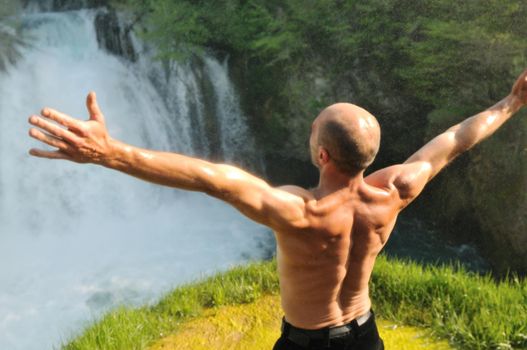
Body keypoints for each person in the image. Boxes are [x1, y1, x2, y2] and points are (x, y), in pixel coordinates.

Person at [28, 69, 527, 350]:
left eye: (314, 131)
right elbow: (456, 140)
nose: (311, 134)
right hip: (364, 334)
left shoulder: (296, 210)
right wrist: (511, 101)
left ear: (322, 154)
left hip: (306, 345)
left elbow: (208, 179)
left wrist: (109, 153)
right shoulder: (398, 188)